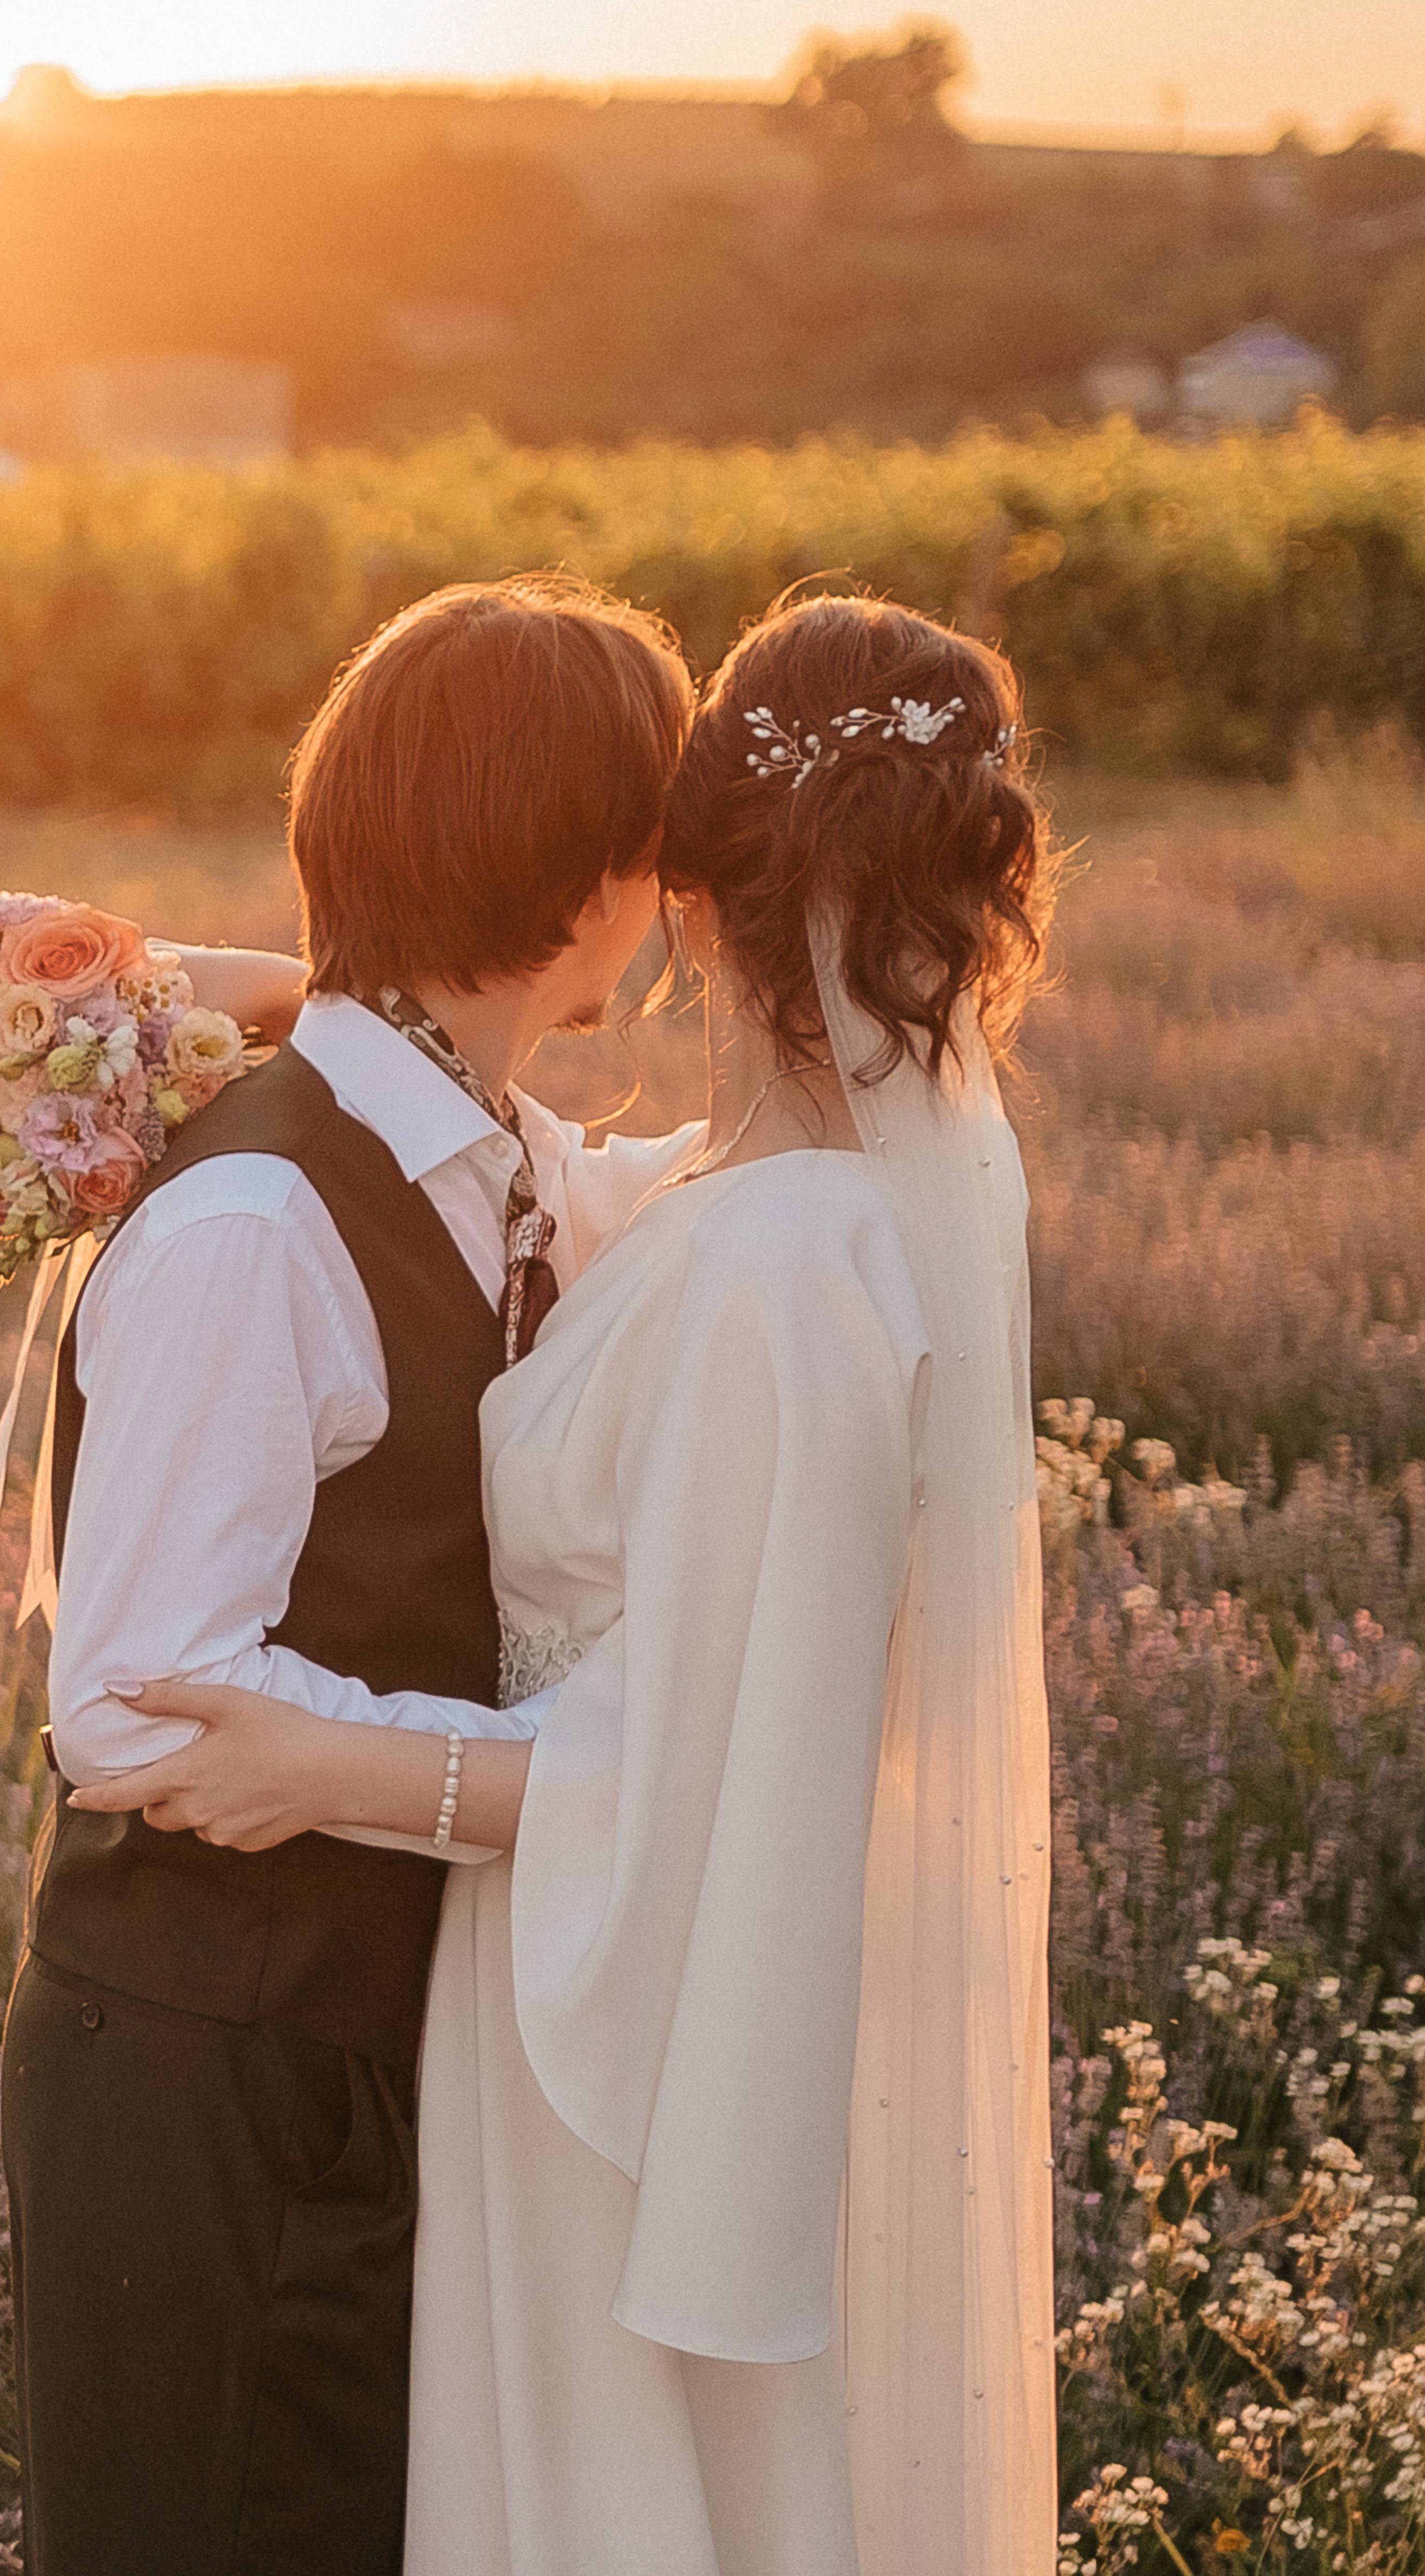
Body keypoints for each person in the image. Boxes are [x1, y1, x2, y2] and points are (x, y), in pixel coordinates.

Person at [76, 594, 1060, 2576]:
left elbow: (725, 1765)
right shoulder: (645, 1216)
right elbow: (135, 1702)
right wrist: (266, 1003)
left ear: (688, 898)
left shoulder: (759, 1262)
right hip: (334, 2048)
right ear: (620, 884)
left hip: (571, 2042)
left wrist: (348, 1771)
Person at [5, 575, 700, 2576]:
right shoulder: (254, 1220)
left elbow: (695, 1183)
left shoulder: (492, 1155)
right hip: (207, 2072)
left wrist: (236, 975)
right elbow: (133, 1704)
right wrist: (514, 1771)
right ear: (587, 890)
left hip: (368, 2052)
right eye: (658, 853)